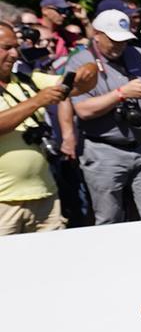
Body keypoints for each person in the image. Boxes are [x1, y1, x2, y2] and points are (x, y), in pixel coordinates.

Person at [68, 9, 141, 224]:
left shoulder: (140, 54)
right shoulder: (80, 62)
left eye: (124, 40)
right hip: (103, 151)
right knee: (109, 218)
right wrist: (121, 94)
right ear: (96, 34)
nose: (120, 45)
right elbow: (83, 110)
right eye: (114, 39)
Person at [0, 23, 96, 234]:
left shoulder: (28, 80)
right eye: (6, 47)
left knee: (51, 262)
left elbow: (76, 86)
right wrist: (36, 102)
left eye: (16, 47)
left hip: (44, 195)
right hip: (3, 202)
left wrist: (90, 70)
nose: (15, 54)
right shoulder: (35, 92)